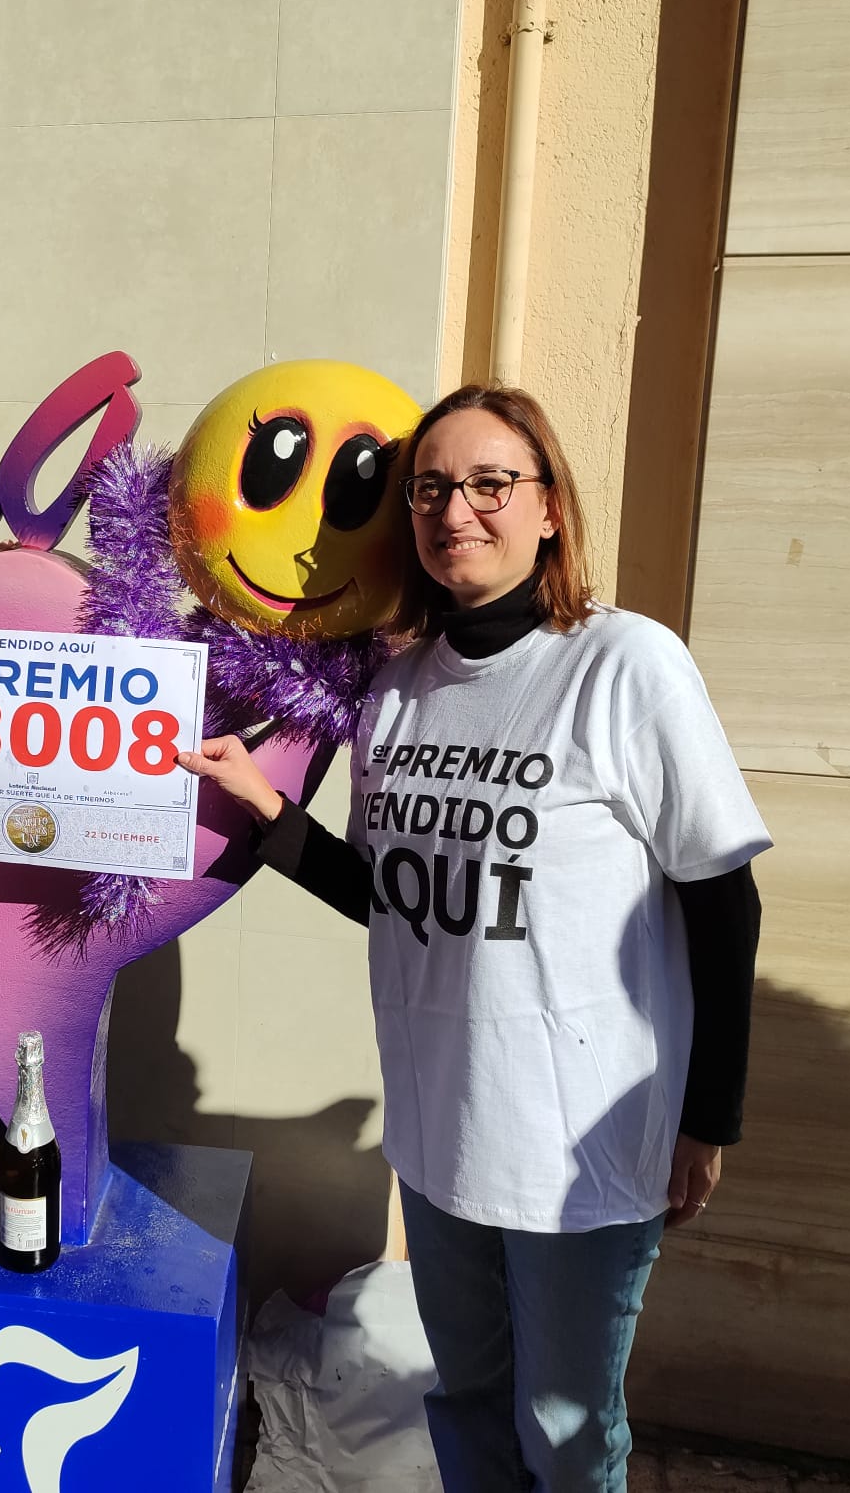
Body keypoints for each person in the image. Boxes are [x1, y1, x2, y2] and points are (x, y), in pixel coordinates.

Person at [178, 384, 771, 1492]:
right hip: (441, 1131)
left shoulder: (624, 665)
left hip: (581, 1146)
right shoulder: (400, 692)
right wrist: (264, 809)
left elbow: (723, 899)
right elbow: (388, 897)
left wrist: (710, 1116)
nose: (458, 511)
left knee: (565, 1430)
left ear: (548, 507)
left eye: (491, 483)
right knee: (467, 1408)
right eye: (431, 489)